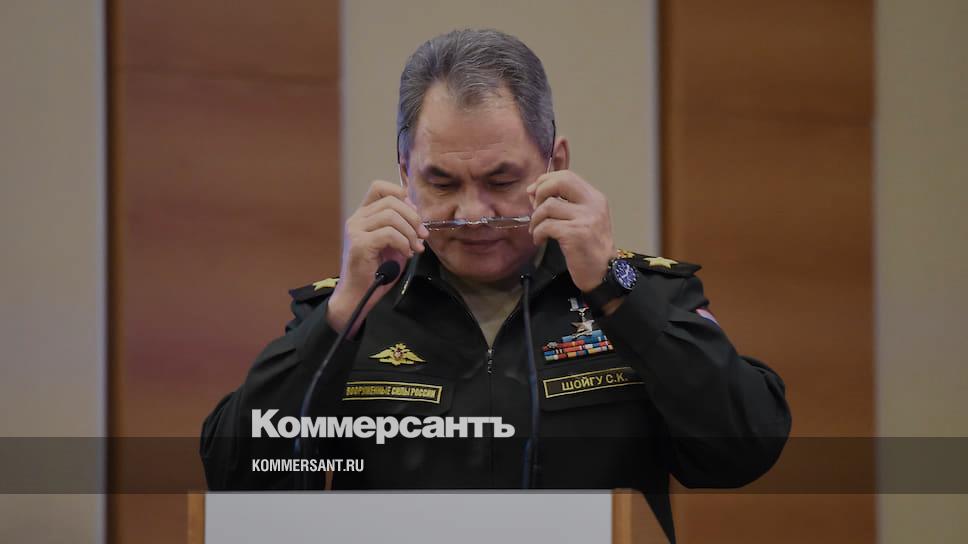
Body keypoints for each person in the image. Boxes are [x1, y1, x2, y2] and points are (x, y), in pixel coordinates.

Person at [200, 28, 791, 541]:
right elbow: (241, 481)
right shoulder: (352, 308)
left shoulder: (636, 290)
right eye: (442, 183)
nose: (472, 214)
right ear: (404, 173)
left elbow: (742, 451)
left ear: (556, 162)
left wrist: (615, 288)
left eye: (501, 181)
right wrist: (340, 315)